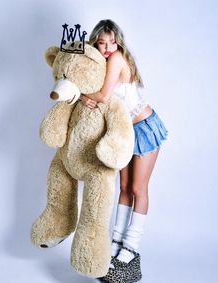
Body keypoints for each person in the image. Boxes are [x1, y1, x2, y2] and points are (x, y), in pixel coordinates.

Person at [80, 19, 168, 283]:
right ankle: (116, 243)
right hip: (125, 134)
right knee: (124, 188)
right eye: (101, 42)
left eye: (112, 41)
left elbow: (104, 97)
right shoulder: (103, 62)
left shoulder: (117, 57)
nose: (107, 47)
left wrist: (83, 96)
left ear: (118, 42)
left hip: (144, 127)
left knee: (139, 190)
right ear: (95, 41)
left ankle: (130, 248)